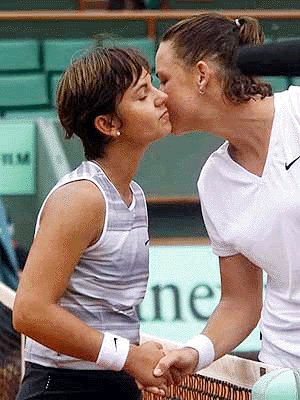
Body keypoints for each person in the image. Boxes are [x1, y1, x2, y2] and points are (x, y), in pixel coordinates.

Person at [12, 45, 173, 400]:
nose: (163, 98)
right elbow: (29, 311)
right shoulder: (81, 198)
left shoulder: (134, 195)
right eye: (144, 94)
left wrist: (130, 365)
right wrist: (130, 357)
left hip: (110, 383)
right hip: (62, 390)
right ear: (108, 124)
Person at [153, 12, 300, 380]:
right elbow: (240, 301)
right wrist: (196, 351)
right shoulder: (213, 181)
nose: (158, 95)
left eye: (164, 79)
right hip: (284, 371)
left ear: (201, 75)